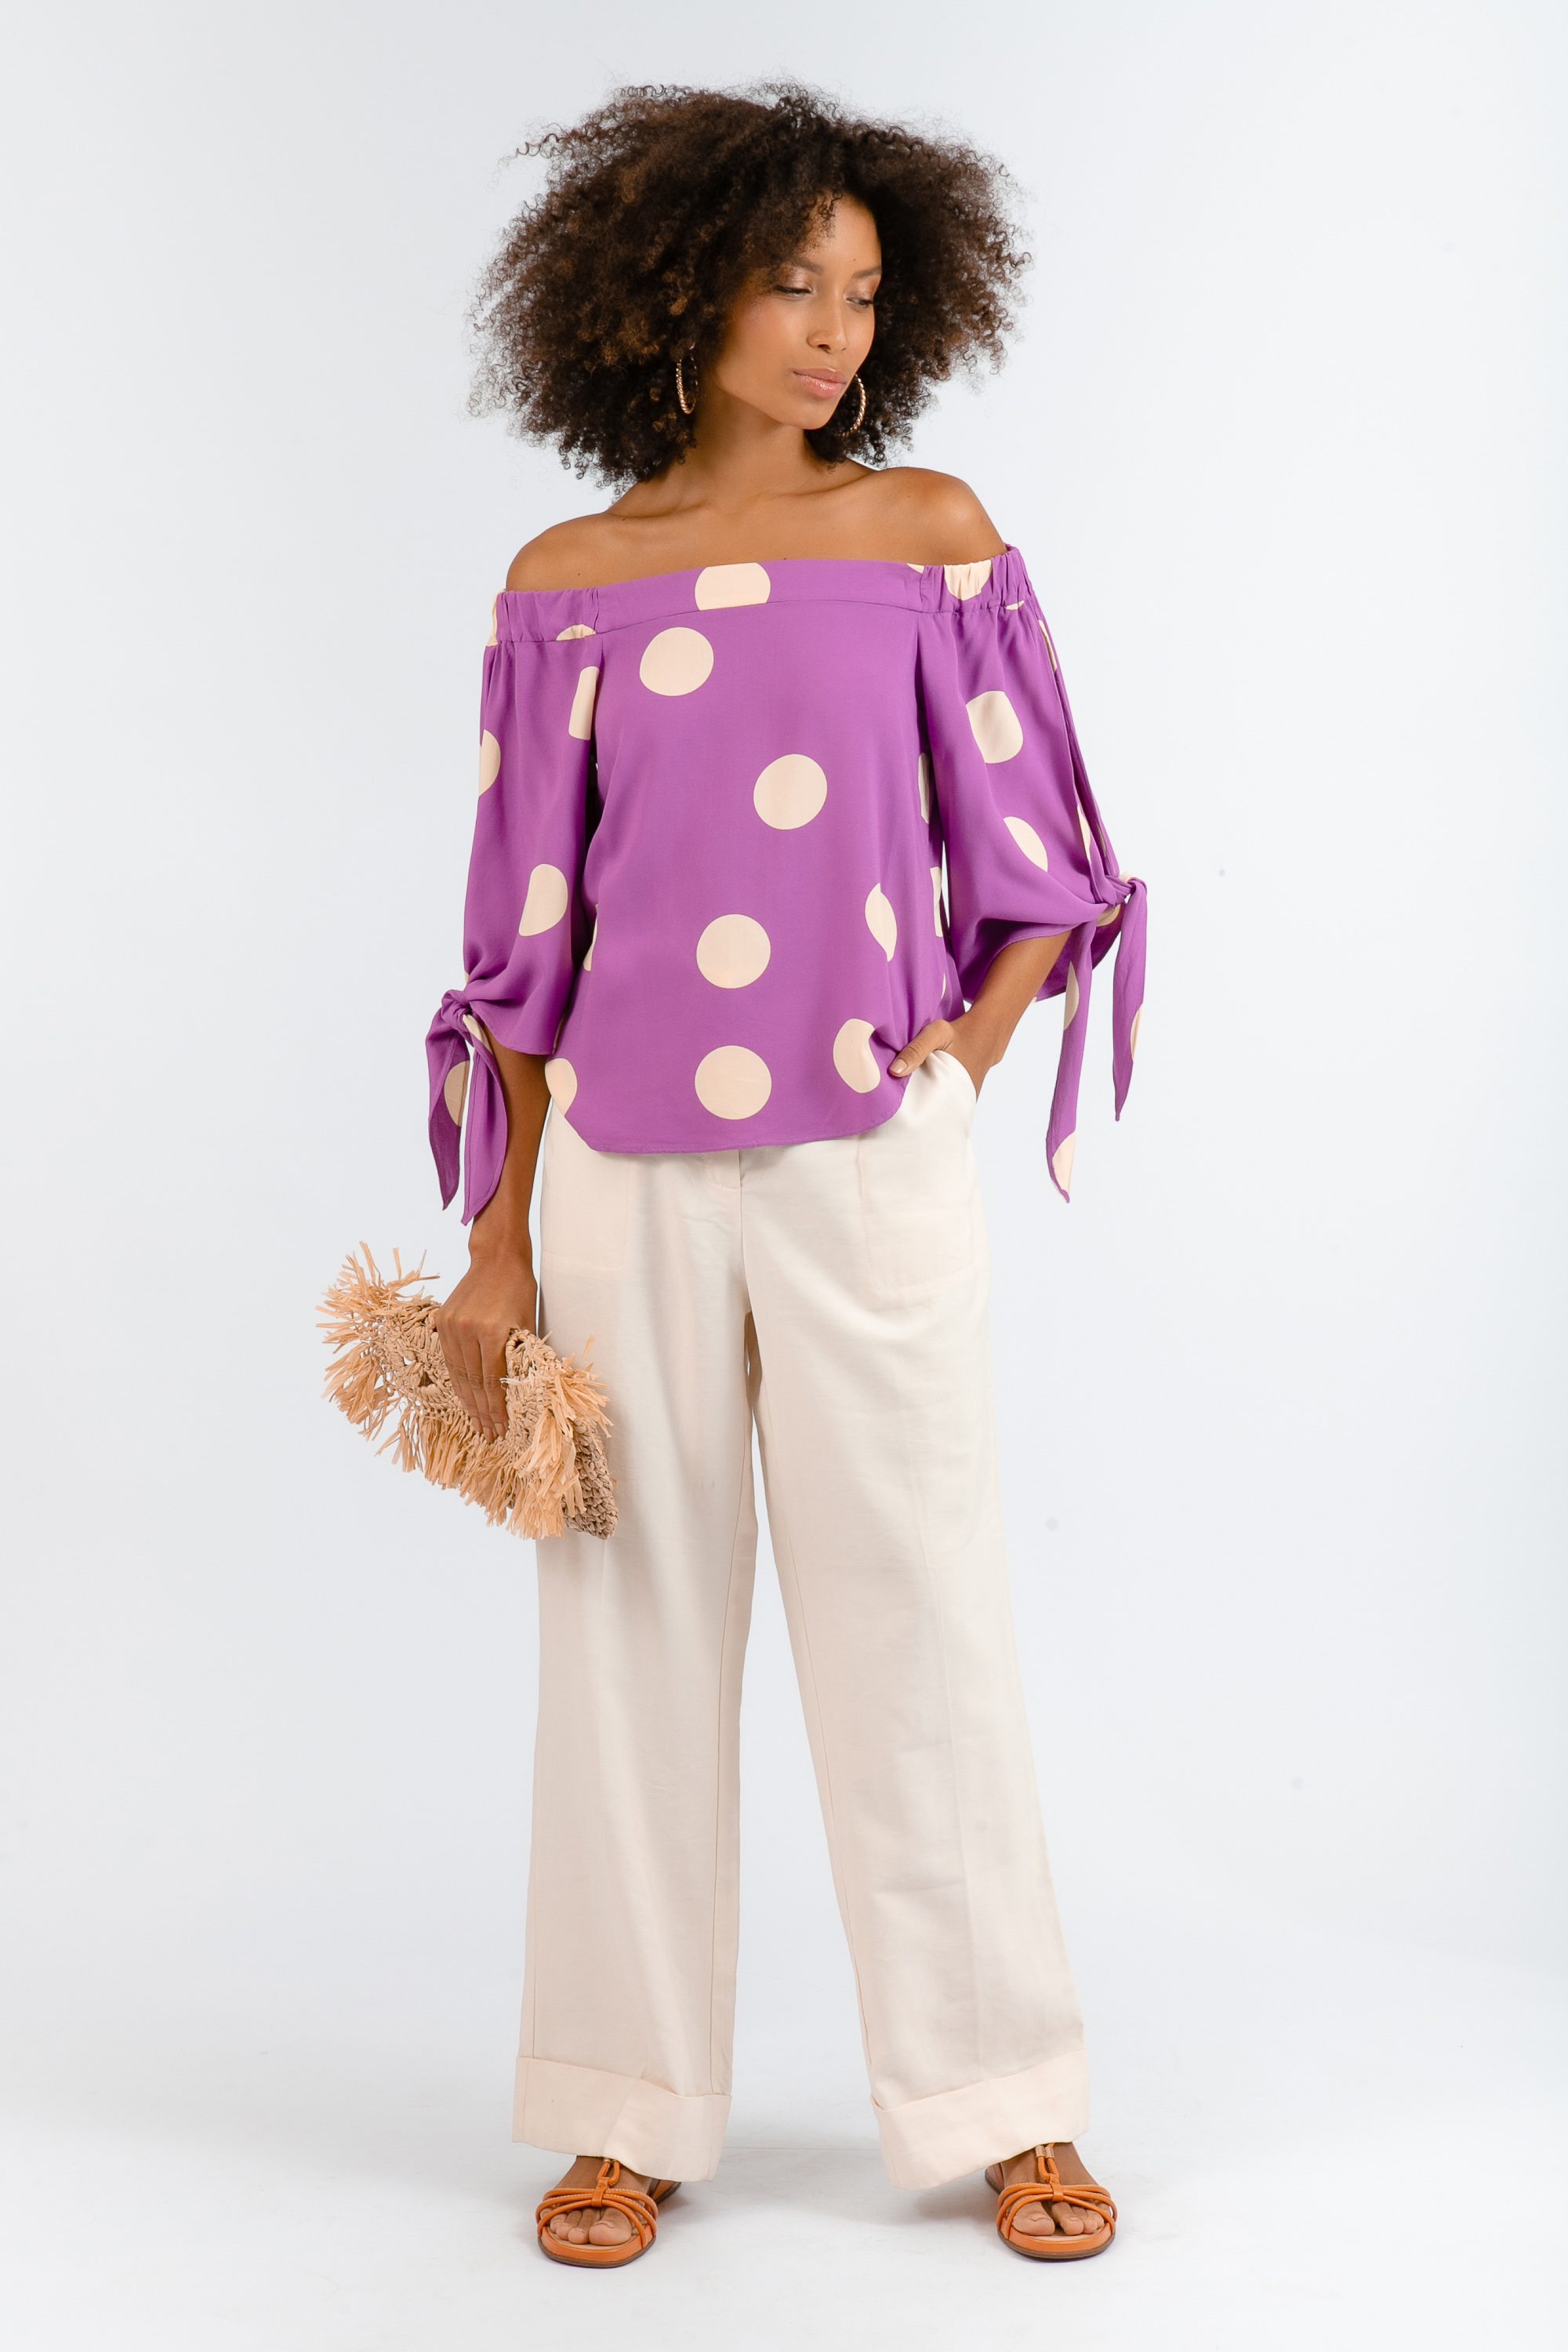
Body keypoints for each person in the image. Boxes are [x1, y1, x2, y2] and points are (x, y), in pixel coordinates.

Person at [426, 82, 1145, 2270]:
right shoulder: (566, 586)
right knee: (624, 1633)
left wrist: (968, 1057)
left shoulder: (928, 535)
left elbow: (1042, 860)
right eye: (791, 283)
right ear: (675, 290)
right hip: (620, 1180)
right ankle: (621, 2109)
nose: (836, 329)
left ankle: (1005, 2103)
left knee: (918, 1615)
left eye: (863, 291)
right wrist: (494, 1243)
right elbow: (521, 944)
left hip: (865, 1160)